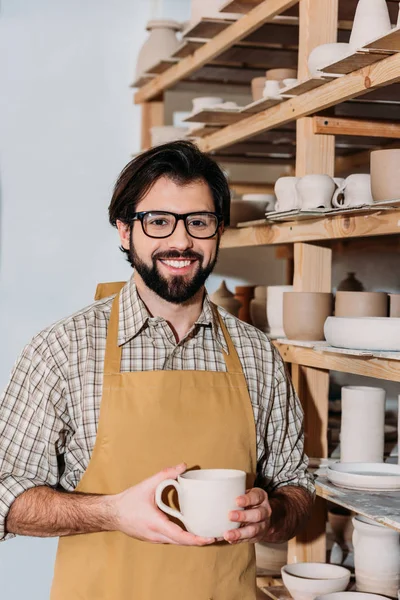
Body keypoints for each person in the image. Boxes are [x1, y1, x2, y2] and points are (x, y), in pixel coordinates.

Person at [0, 141, 314, 599]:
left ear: (218, 231)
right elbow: (5, 497)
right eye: (159, 221)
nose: (181, 241)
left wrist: (273, 514)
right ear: (125, 231)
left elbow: (296, 485)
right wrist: (110, 512)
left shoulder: (257, 354)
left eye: (199, 222)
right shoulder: (63, 349)